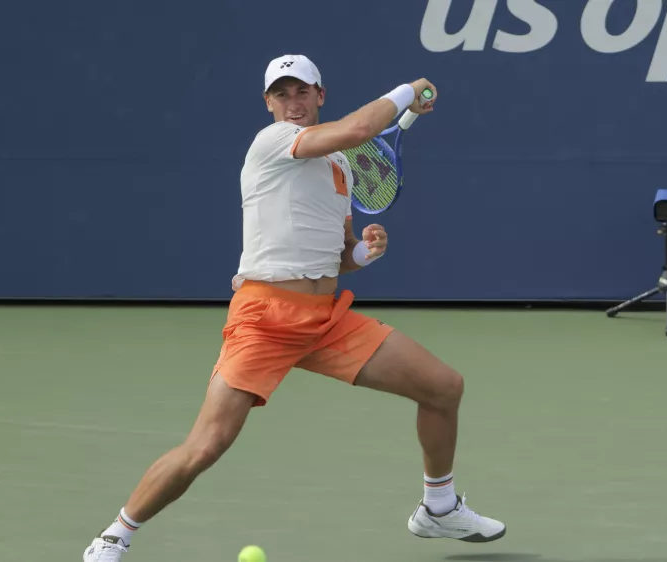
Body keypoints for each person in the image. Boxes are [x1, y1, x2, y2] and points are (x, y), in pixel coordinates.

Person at [82, 54, 506, 562]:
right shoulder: (275, 140)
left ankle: (438, 508)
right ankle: (115, 535)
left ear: (319, 94)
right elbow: (354, 130)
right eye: (281, 95)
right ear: (268, 104)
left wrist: (364, 252)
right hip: (263, 318)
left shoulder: (339, 164)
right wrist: (405, 91)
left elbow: (337, 253)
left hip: (325, 320)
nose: (293, 103)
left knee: (443, 387)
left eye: (301, 92)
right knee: (206, 446)